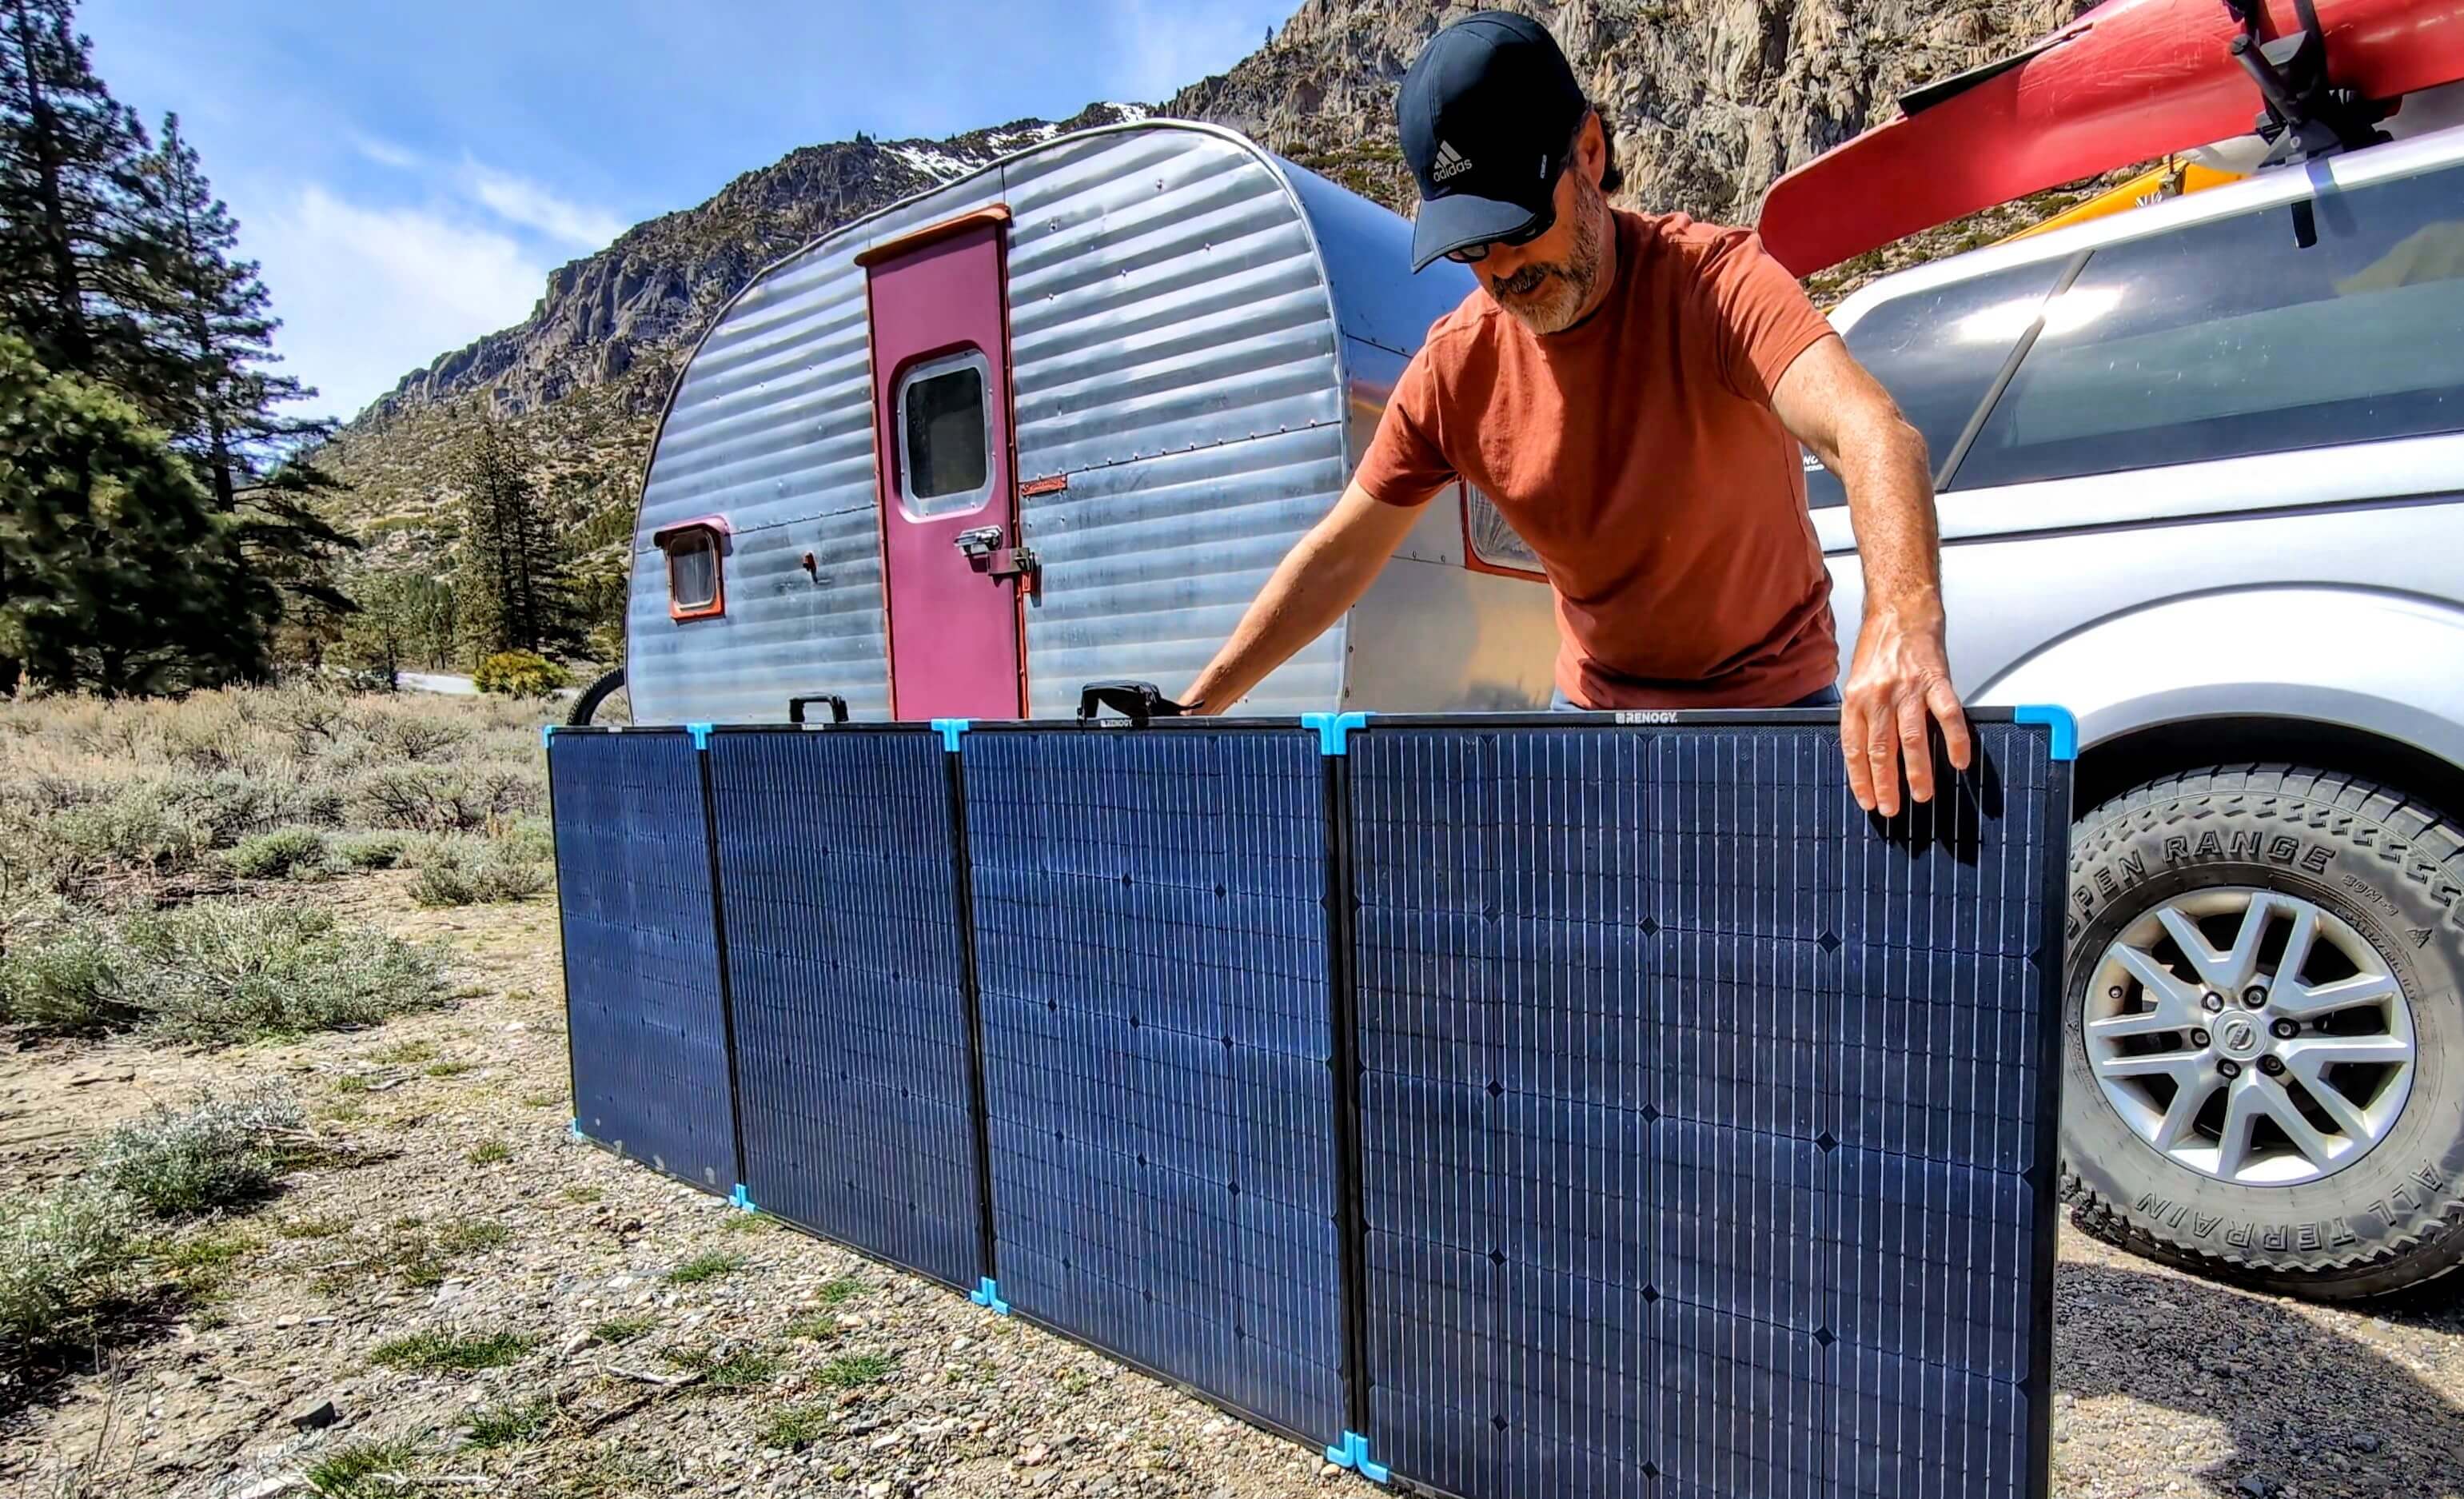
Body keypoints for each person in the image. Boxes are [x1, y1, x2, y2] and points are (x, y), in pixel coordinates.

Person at [1178, 11, 1971, 817]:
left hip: (1772, 708)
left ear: (1588, 153)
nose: (1501, 269)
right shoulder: (1458, 368)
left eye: (1517, 226)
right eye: (1470, 245)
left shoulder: (1714, 286)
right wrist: (1196, 707)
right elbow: (1339, 556)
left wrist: (1900, 620)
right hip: (1592, 721)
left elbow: (1869, 430)